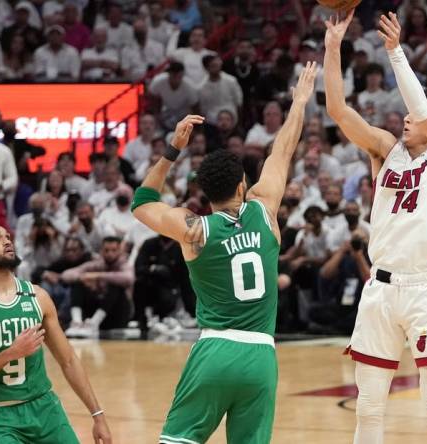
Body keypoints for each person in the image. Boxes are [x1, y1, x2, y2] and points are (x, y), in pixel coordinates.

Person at [131, 62, 317, 444]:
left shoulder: (193, 229)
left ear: (203, 192)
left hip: (215, 349)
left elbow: (142, 202)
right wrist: (299, 101)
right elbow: (282, 150)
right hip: (261, 356)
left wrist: (172, 150)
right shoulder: (265, 210)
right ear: (243, 183)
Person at [324, 11, 427, 444]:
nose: (405, 117)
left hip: (425, 289)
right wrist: (332, 48)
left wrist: (394, 52)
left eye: (415, 115)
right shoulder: (385, 150)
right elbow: (337, 110)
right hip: (380, 288)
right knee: (367, 407)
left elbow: (422, 109)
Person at [0, 220, 112, 443]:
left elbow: (69, 361)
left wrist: (97, 415)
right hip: (1, 417)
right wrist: (10, 353)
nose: (7, 241)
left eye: (7, 236)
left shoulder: (37, 296)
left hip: (46, 410)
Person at [61, 236, 134, 337]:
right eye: (106, 250)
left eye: (114, 250)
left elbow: (128, 278)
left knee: (115, 286)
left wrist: (97, 276)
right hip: (94, 310)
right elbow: (66, 275)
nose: (110, 254)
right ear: (101, 251)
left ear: (120, 251)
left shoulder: (125, 265)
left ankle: (94, 323)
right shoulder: (96, 265)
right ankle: (76, 322)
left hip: (117, 315)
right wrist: (83, 278)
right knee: (78, 283)